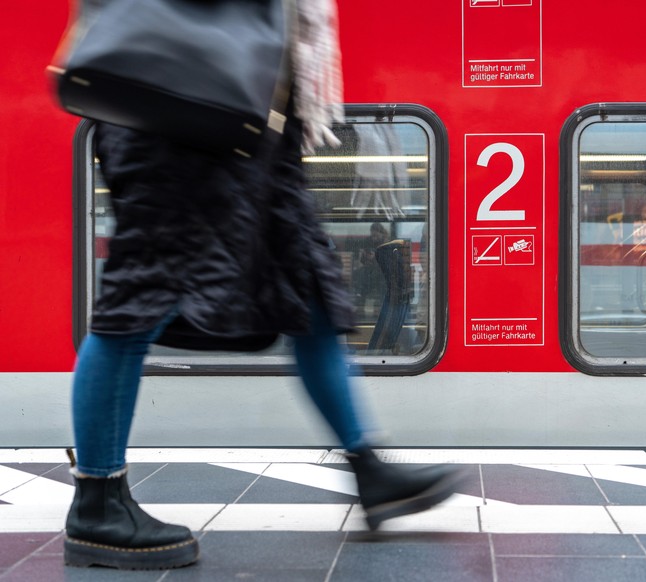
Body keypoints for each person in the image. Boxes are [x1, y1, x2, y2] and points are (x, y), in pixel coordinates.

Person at [62, 0, 464, 571]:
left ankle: (367, 467)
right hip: (178, 107)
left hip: (256, 110)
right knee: (141, 294)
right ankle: (97, 503)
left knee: (309, 284)